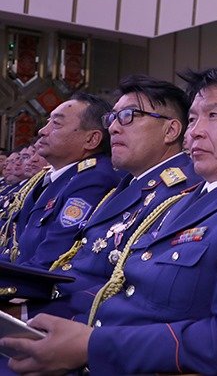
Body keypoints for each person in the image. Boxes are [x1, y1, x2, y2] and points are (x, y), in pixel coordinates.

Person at [0, 65, 217, 374]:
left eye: (214, 116)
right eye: (193, 118)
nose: (195, 131)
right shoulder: (190, 198)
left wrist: (91, 346)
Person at [11, 76, 202, 319]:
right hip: (60, 307)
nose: (113, 127)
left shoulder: (183, 193)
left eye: (129, 116)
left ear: (171, 130)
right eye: (112, 117)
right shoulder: (126, 186)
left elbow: (131, 292)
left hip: (92, 324)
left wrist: (26, 313)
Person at [1, 94, 121, 269]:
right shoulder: (55, 176)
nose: (42, 131)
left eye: (56, 124)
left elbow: (48, 261)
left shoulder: (93, 180)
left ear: (91, 139)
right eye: (48, 122)